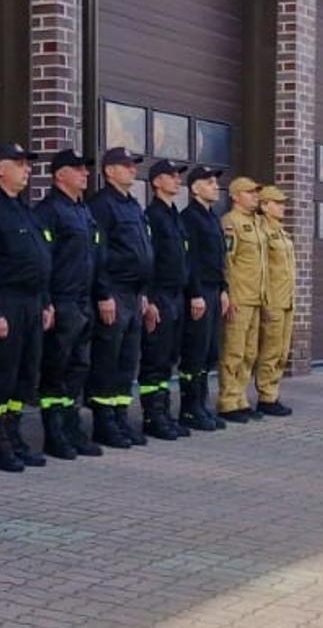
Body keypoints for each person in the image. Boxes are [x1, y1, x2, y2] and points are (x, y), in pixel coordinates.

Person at [0, 143, 54, 471]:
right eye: (19, 163)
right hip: (6, 301)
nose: (27, 169)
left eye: (28, 164)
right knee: (0, 374)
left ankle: (13, 434)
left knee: (25, 373)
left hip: (32, 303)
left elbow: (40, 258)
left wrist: (46, 301)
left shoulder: (23, 207)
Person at [33, 149, 105, 459]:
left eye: (85, 169)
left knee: (79, 367)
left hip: (82, 300)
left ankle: (72, 427)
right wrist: (46, 301)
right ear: (60, 174)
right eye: (78, 169)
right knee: (56, 369)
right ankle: (54, 434)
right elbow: (42, 261)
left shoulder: (83, 211)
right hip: (62, 301)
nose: (85, 174)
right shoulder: (48, 210)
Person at [87, 147, 155, 448]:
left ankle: (120, 416)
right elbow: (98, 254)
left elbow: (141, 252)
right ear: (109, 171)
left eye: (133, 165)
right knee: (108, 359)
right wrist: (103, 293)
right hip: (113, 292)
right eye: (125, 165)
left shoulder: (133, 205)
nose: (132, 169)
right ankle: (104, 423)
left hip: (133, 294)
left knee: (128, 360)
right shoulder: (102, 205)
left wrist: (142, 293)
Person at [138, 159, 191, 440]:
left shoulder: (174, 216)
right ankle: (152, 416)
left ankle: (165, 412)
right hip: (160, 296)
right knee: (155, 358)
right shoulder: (153, 216)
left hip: (177, 295)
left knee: (169, 356)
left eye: (178, 176)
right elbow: (149, 261)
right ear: (157, 181)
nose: (177, 180)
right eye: (172, 176)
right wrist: (151, 299)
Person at [177, 166, 228, 432]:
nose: (215, 186)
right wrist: (196, 293)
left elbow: (219, 259)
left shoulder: (212, 217)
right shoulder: (190, 218)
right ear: (195, 188)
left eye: (215, 182)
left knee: (209, 352)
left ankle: (201, 404)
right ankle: (189, 408)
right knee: (195, 351)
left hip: (213, 291)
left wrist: (223, 289)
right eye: (209, 182)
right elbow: (191, 261)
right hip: (198, 293)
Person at [218, 177, 266, 423]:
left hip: (256, 298)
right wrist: (230, 294)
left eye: (256, 193)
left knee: (249, 353)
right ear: (235, 196)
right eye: (249, 192)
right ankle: (228, 401)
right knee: (233, 351)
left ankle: (241, 399)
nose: (255, 196)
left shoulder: (257, 223)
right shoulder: (230, 223)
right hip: (240, 298)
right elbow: (227, 262)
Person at [253, 184, 299, 417]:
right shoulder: (261, 231)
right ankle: (266, 397)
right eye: (278, 203)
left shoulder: (281, 231)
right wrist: (265, 300)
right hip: (272, 300)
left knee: (281, 351)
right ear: (264, 205)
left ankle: (272, 392)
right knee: (269, 350)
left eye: (283, 203)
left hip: (286, 299)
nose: (283, 207)